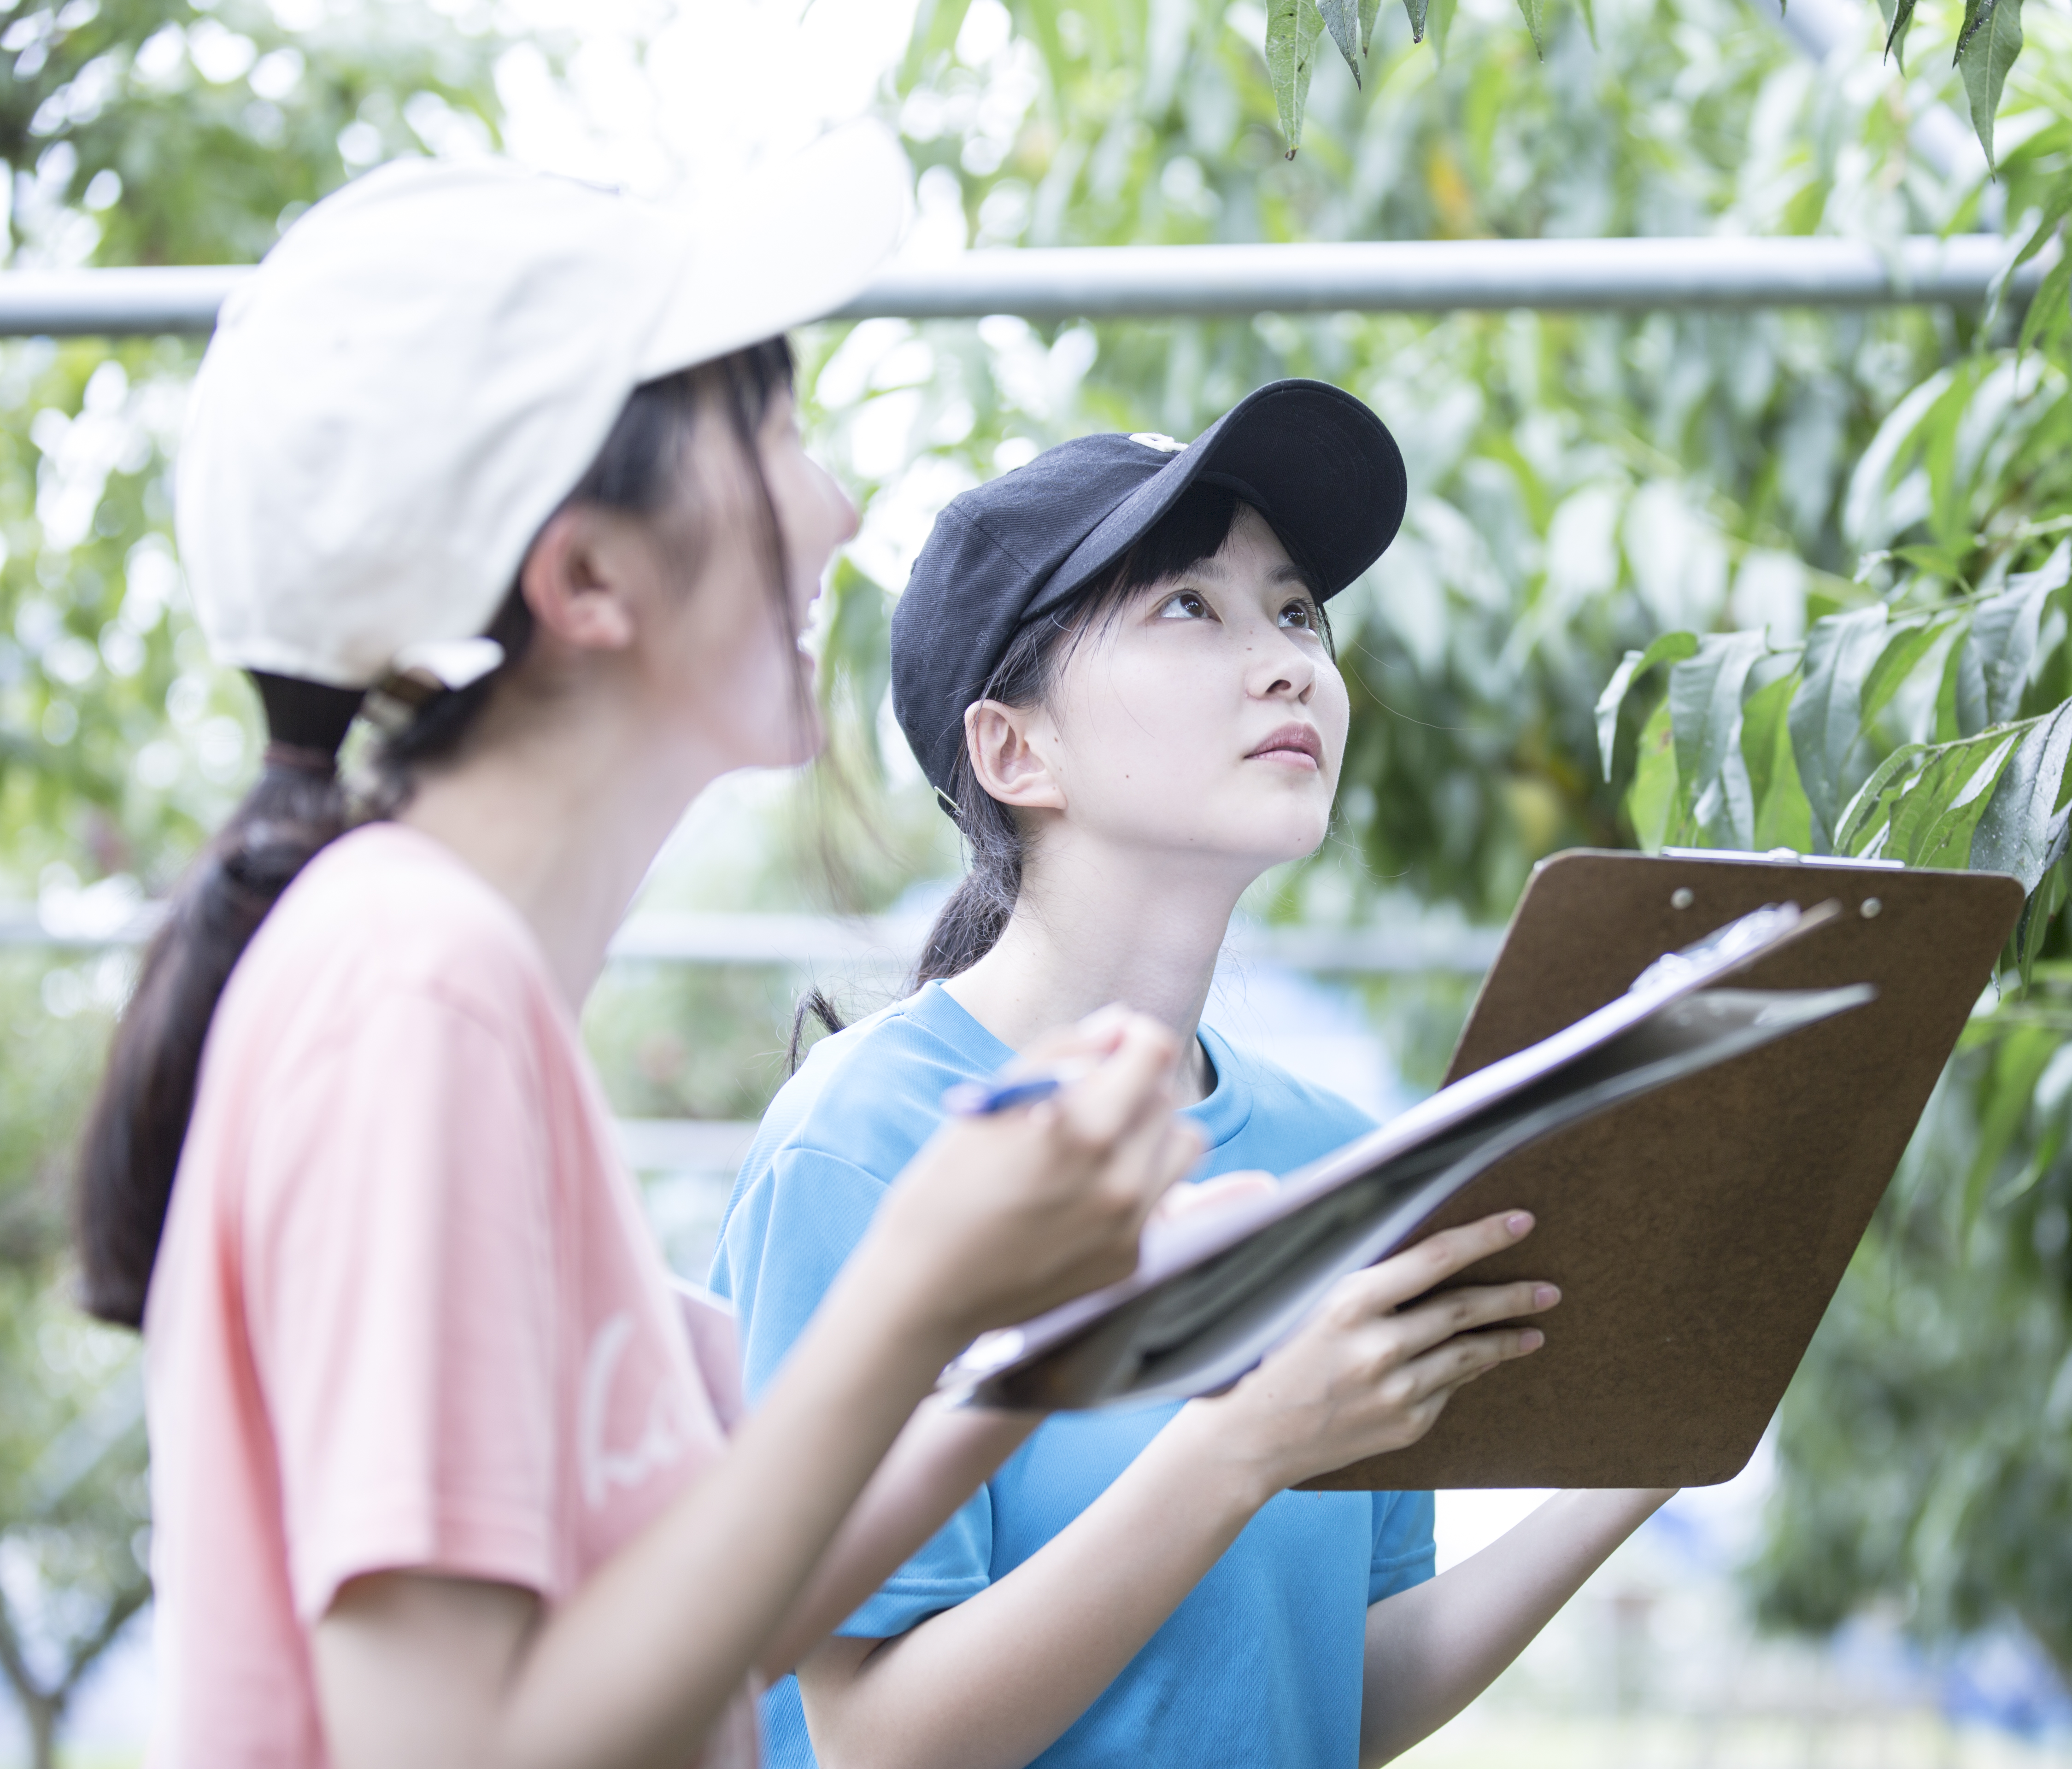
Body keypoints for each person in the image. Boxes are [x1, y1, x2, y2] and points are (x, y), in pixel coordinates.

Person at [79, 128, 1208, 1769]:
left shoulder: (454, 988)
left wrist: (1068, 1333)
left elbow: (731, 1591)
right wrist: (914, 1288)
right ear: (588, 575)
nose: (834, 506)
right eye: (771, 431)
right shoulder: (413, 986)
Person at [710, 386, 1677, 1769]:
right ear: (1013, 748)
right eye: (1189, 608)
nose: (1287, 663)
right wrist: (1241, 1450)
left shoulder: (1344, 1153)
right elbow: (879, 1744)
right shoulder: (864, 1147)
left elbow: (1338, 1687)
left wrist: (1649, 1455)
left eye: (1295, 614)